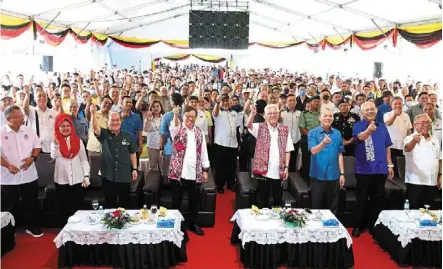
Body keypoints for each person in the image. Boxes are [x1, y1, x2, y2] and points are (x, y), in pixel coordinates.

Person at [352, 102, 394, 238]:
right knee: (361, 199)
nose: (370, 112)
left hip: (380, 169)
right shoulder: (357, 125)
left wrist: (390, 165)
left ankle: (373, 226)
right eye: (367, 110)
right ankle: (358, 225)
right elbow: (360, 137)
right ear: (362, 112)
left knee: (377, 199)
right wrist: (369, 130)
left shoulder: (382, 126)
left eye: (372, 109)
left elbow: (387, 146)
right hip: (363, 169)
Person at [1, 105, 43, 237]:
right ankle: (7, 232)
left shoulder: (28, 130)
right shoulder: (1, 133)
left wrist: (33, 158)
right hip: (8, 177)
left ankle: (32, 227)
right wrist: (8, 165)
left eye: (22, 116)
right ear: (8, 119)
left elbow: (37, 146)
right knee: (8, 206)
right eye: (17, 117)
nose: (21, 119)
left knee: (31, 203)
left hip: (29, 175)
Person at [168, 106, 210, 236]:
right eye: (187, 116)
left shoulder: (199, 132)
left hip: (195, 173)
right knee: (176, 202)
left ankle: (193, 224)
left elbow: (204, 152)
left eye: (193, 116)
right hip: (177, 173)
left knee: (194, 201)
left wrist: (205, 170)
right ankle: (177, 227)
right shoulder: (178, 129)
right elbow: (174, 126)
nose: (190, 119)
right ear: (183, 116)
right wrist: (175, 115)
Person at [90, 105, 138, 209]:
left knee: (125, 205)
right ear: (108, 122)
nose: (115, 122)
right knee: (109, 204)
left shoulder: (128, 135)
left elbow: (132, 153)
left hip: (124, 175)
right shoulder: (104, 134)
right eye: (112, 120)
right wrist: (93, 114)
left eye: (117, 120)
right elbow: (95, 128)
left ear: (121, 122)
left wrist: (134, 168)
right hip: (108, 176)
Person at [246, 104, 293, 208]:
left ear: (279, 114)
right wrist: (252, 114)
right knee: (262, 200)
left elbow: (288, 150)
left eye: (275, 113)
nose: (272, 115)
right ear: (265, 116)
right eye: (269, 113)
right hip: (263, 172)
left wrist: (286, 167)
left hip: (278, 170)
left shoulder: (285, 129)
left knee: (278, 200)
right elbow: (249, 125)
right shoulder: (259, 127)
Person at [51, 113, 90, 224]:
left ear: (71, 127)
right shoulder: (55, 142)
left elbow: (84, 160)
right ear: (58, 128)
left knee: (79, 209)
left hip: (79, 180)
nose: (65, 128)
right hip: (62, 181)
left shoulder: (79, 141)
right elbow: (54, 155)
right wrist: (56, 145)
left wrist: (86, 176)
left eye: (68, 125)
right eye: (62, 126)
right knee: (65, 209)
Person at [308, 108, 345, 213]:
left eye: (330, 116)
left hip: (334, 175)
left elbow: (340, 154)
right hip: (317, 175)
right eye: (325, 116)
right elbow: (313, 151)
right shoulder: (312, 133)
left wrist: (342, 173)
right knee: (316, 205)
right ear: (319, 118)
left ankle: (332, 228)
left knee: (333, 206)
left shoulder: (337, 133)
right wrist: (323, 143)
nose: (328, 118)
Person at [403, 113, 442, 209]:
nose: (426, 124)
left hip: (432, 181)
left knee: (429, 210)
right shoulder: (409, 138)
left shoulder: (435, 139)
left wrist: (440, 175)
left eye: (428, 122)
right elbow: (407, 148)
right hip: (415, 181)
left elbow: (439, 159)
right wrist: (414, 141)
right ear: (415, 124)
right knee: (414, 209)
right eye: (423, 122)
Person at [213, 94, 241, 193]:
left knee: (232, 166)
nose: (225, 102)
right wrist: (217, 102)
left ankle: (230, 184)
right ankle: (220, 185)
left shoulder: (234, 113)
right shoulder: (218, 112)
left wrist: (239, 142)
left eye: (227, 101)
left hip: (233, 144)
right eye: (223, 101)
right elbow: (215, 113)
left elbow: (237, 128)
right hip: (221, 143)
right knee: (220, 166)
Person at [383, 96, 412, 175]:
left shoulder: (406, 115)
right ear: (391, 105)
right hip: (391, 147)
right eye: (395, 104)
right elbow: (388, 123)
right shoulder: (387, 114)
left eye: (400, 103)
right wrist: (395, 115)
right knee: (391, 169)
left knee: (401, 170)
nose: (398, 105)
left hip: (403, 147)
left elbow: (408, 130)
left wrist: (409, 143)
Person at [160, 93, 184, 183]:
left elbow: (163, 133)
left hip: (169, 148)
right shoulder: (186, 113)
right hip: (183, 149)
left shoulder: (167, 115)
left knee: (169, 171)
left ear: (172, 103)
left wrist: (161, 148)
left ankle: (168, 188)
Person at [299, 95, 321, 181]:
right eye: (314, 101)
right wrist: (312, 137)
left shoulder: (323, 113)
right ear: (310, 103)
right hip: (307, 139)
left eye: (318, 101)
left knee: (319, 160)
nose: (316, 103)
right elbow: (302, 127)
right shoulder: (304, 114)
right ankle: (306, 180)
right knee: (307, 161)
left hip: (321, 140)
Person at [280, 94, 301, 172]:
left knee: (293, 163)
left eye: (293, 100)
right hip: (284, 142)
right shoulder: (282, 113)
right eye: (290, 100)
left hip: (295, 141)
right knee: (283, 162)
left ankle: (291, 181)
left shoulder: (300, 113)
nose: (292, 102)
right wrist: (279, 110)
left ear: (296, 102)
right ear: (286, 102)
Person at [144, 100, 164, 171]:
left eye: (157, 106)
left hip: (163, 146)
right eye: (153, 107)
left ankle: (164, 182)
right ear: (151, 108)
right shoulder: (148, 119)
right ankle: (151, 181)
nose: (156, 108)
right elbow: (146, 129)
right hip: (152, 146)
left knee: (163, 167)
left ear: (161, 108)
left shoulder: (164, 118)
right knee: (152, 166)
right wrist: (149, 119)